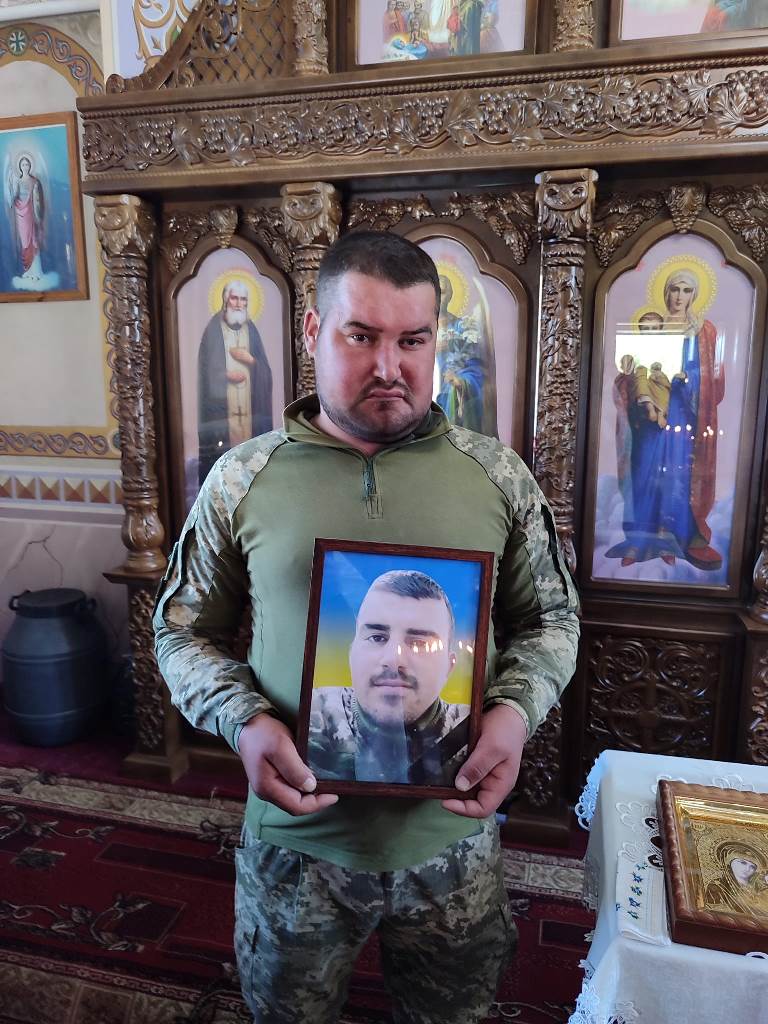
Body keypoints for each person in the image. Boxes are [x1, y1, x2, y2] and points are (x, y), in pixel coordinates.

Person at [153, 230, 579, 1023]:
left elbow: (551, 617)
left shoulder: (498, 477)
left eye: (413, 340)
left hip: (451, 843)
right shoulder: (242, 479)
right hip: (296, 848)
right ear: (314, 332)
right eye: (362, 336)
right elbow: (181, 631)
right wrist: (244, 721)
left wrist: (516, 712)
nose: (391, 365)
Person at [308, 569, 470, 786]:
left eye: (419, 643)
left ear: (449, 666)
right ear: (351, 653)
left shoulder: (476, 731)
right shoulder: (309, 711)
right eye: (377, 637)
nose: (394, 659)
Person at [197, 278, 273, 487]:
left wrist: (251, 361)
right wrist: (224, 376)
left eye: (243, 299)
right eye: (234, 298)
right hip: (221, 417)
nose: (239, 304)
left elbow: (266, 373)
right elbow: (204, 374)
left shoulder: (252, 330)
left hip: (250, 414)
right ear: (225, 300)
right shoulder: (213, 329)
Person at [8, 156, 45, 284]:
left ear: (30, 166)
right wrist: (10, 187)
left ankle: (37, 272)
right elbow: (13, 197)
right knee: (24, 242)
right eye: (23, 165)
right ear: (20, 167)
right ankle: (29, 271)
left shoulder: (35, 182)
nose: (25, 167)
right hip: (20, 214)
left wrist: (37, 214)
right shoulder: (17, 181)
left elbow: (38, 200)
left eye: (27, 164)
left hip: (31, 213)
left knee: (33, 241)